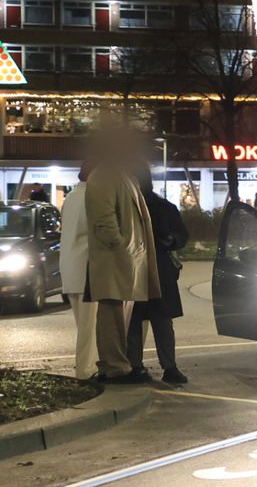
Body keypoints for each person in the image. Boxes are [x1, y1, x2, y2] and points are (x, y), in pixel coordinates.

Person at [84, 131, 160, 384]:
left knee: (119, 319)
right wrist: (122, 247)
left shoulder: (120, 175)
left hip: (125, 261)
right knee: (112, 317)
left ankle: (117, 366)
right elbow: (103, 221)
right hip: (116, 261)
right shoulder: (105, 175)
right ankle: (115, 368)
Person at [128, 163, 189, 385]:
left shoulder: (131, 206)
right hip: (158, 269)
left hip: (142, 268)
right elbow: (182, 235)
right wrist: (172, 240)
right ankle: (166, 367)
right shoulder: (164, 207)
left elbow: (181, 235)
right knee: (159, 321)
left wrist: (172, 239)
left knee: (138, 320)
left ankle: (137, 366)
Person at [60, 165, 97, 380]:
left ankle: (88, 367)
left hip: (70, 269)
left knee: (83, 324)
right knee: (88, 327)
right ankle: (85, 369)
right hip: (85, 269)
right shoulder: (91, 198)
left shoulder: (71, 197)